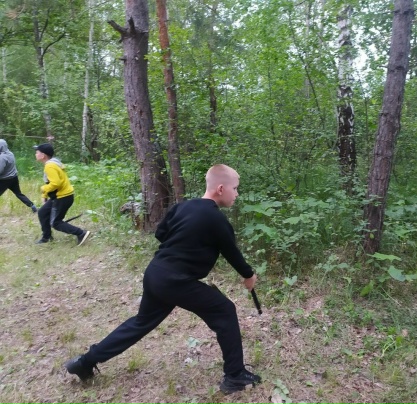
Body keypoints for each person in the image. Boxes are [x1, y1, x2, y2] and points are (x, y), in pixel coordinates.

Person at [64, 164, 261, 394]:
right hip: (176, 281)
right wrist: (248, 275)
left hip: (156, 273)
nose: (237, 194)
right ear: (220, 189)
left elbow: (161, 233)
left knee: (141, 322)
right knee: (224, 310)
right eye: (235, 188)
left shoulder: (182, 207)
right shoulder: (216, 219)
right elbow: (231, 252)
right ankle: (235, 376)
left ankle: (85, 362)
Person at [34, 143, 90, 246]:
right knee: (42, 212)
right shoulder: (53, 164)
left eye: (37, 152)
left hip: (62, 197)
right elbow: (50, 182)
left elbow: (56, 183)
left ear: (43, 155)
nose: (35, 154)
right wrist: (44, 195)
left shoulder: (50, 166)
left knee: (56, 223)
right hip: (62, 196)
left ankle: (81, 233)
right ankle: (47, 237)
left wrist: (43, 189)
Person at [0, 139, 37, 213]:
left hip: (4, 180)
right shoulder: (10, 154)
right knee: (19, 194)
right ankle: (32, 206)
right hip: (14, 178)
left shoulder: (2, 157)